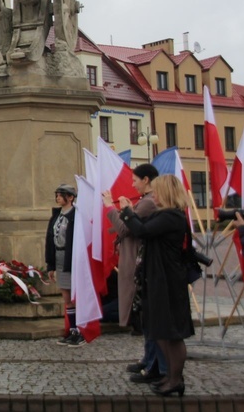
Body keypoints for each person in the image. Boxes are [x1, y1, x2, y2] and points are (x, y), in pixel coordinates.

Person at [119, 175, 193, 397]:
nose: (155, 196)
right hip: (158, 279)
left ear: (168, 194)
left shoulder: (172, 217)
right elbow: (143, 227)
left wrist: (127, 212)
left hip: (168, 281)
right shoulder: (165, 215)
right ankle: (169, 376)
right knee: (161, 331)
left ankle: (175, 379)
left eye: (158, 192)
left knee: (171, 333)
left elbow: (141, 230)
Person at [102, 163, 166, 384]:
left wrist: (110, 208)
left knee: (148, 316)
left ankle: (154, 364)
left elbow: (125, 229)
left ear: (146, 180)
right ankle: (149, 360)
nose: (132, 183)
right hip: (136, 262)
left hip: (139, 264)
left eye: (135, 180)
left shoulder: (149, 203)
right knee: (145, 316)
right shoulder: (146, 201)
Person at [45, 184, 83, 346]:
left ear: (70, 197)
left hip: (71, 258)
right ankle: (72, 329)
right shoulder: (56, 215)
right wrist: (50, 265)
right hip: (59, 257)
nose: (58, 197)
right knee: (66, 297)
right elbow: (49, 240)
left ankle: (79, 331)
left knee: (75, 296)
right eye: (57, 195)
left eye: (61, 195)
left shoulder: (76, 215)